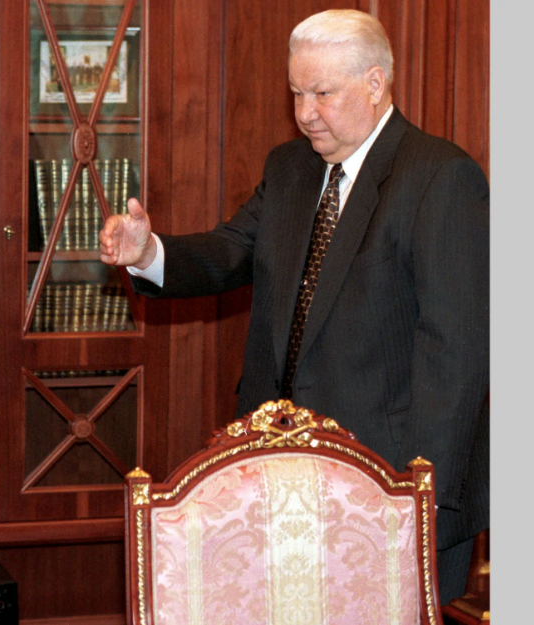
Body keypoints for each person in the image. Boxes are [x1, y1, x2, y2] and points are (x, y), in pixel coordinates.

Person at [100, 9, 488, 605]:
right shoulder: (290, 168)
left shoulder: (440, 177)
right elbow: (232, 250)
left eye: (322, 93)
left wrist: (419, 495)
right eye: (297, 93)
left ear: (376, 84)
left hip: (387, 484)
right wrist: (148, 252)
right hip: (278, 474)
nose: (305, 113)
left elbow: (455, 353)